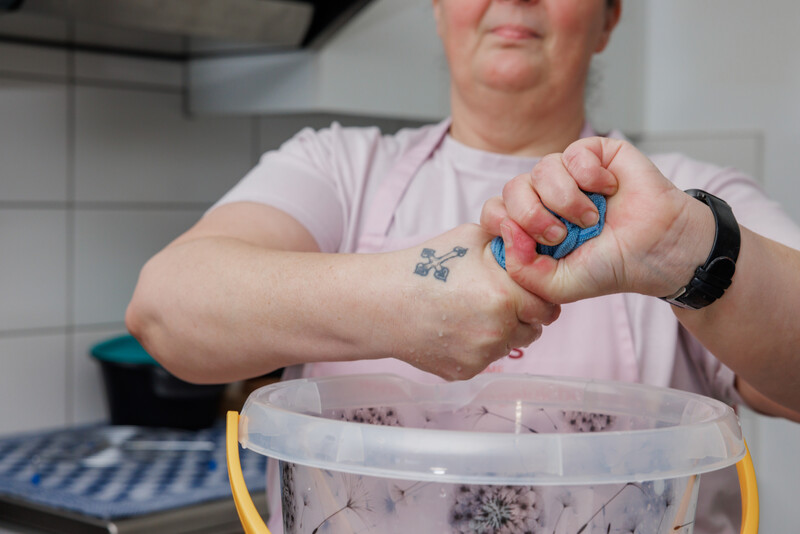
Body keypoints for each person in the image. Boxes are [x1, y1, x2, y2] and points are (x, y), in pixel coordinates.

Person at [126, 0, 800, 532]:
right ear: (437, 6)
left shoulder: (686, 199)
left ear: (609, 17)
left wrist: (689, 251)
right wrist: (395, 302)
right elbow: (164, 311)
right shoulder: (339, 169)